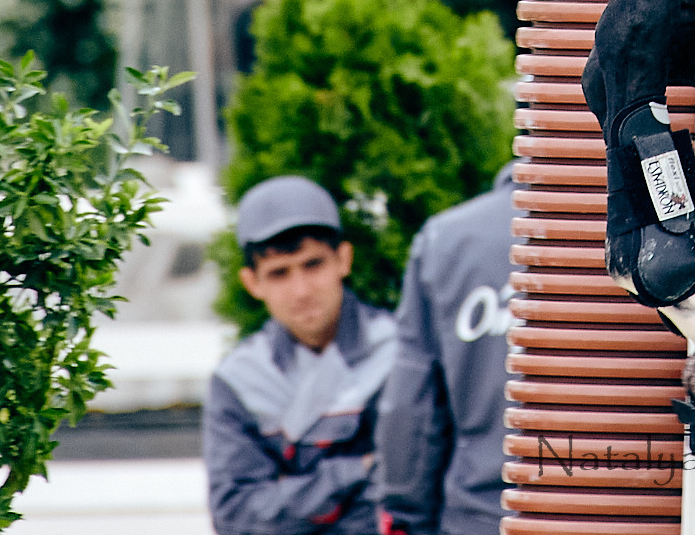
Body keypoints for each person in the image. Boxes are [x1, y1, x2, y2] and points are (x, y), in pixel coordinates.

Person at [205, 176, 397, 535]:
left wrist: (289, 498)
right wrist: (354, 471)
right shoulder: (238, 378)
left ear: (343, 259)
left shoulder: (398, 352)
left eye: (313, 265)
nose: (301, 290)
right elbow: (235, 515)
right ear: (252, 283)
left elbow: (406, 492)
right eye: (279, 273)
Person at [377, 164, 519, 535]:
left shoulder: (447, 240)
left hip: (483, 516)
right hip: (632, 508)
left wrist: (407, 519)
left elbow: (412, 407)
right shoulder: (654, 233)